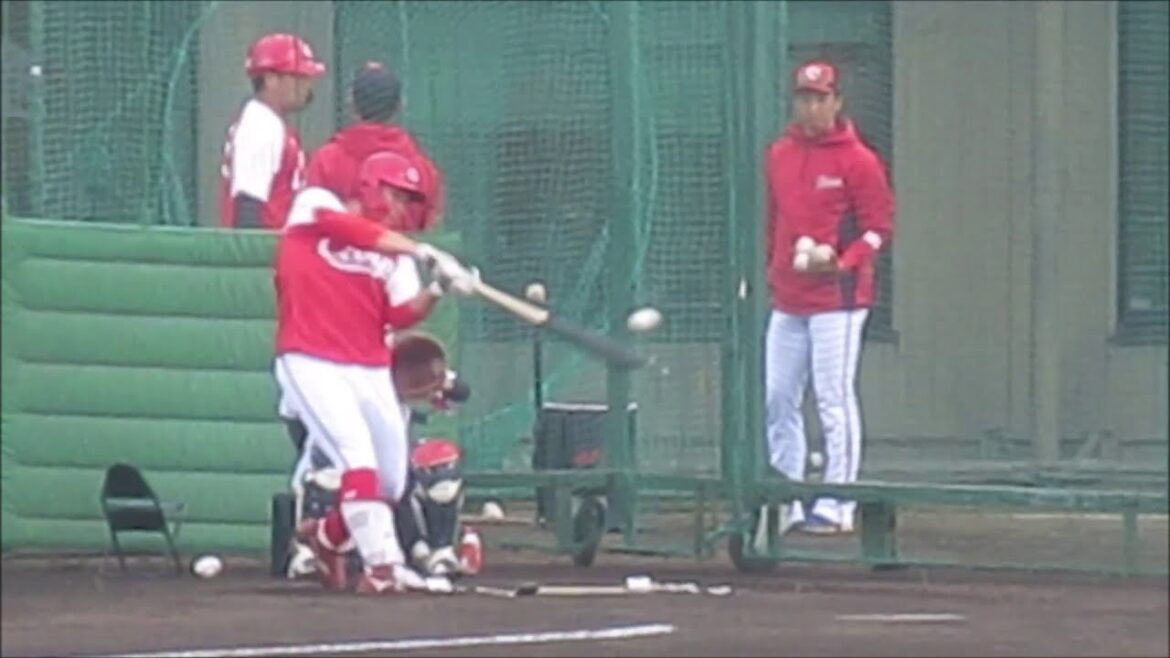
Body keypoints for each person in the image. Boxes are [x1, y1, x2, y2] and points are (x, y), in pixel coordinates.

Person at [274, 149, 478, 594]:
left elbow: (400, 315)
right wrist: (424, 250)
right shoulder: (315, 204)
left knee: (390, 480)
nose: (401, 207)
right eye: (395, 194)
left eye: (409, 201)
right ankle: (383, 567)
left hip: (369, 367)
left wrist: (437, 287)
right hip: (311, 358)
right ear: (369, 186)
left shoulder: (396, 258)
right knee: (356, 458)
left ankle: (328, 537)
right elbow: (353, 230)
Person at [762, 60, 895, 535]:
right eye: (804, 98)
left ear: (837, 102)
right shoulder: (779, 154)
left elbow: (879, 227)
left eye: (821, 98)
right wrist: (771, 269)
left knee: (833, 399)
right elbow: (774, 221)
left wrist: (844, 261)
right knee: (778, 397)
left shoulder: (858, 161)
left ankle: (838, 503)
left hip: (839, 300)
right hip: (788, 298)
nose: (812, 107)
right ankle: (786, 499)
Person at [306, 61, 444, 233]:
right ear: (399, 105)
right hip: (403, 249)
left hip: (341, 250)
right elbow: (432, 229)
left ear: (351, 103)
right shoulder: (424, 170)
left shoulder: (326, 160)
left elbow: (311, 219)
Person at [218, 32, 325, 230]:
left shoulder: (270, 121)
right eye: (298, 77)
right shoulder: (260, 125)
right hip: (265, 245)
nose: (307, 85)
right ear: (270, 79)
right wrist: (256, 250)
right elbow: (248, 206)